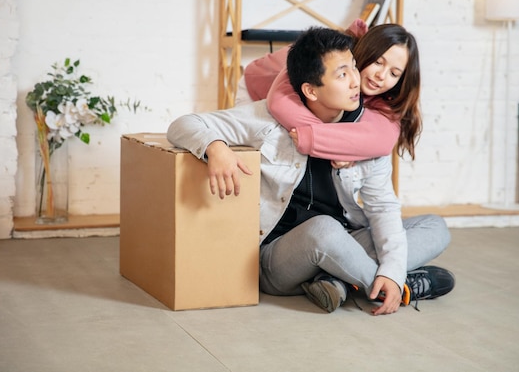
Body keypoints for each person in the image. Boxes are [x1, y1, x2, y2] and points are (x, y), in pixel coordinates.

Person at [167, 27, 453, 315]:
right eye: (343, 74)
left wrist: (391, 268)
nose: (357, 81)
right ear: (310, 89)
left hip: (343, 238)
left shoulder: (366, 134)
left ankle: (340, 280)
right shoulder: (268, 119)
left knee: (434, 227)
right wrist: (215, 147)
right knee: (323, 230)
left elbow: (383, 208)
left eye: (354, 67)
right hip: (278, 257)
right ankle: (397, 288)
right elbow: (182, 125)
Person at [238, 20, 421, 163]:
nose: (381, 75)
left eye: (394, 73)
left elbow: (382, 139)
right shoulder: (331, 52)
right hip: (257, 88)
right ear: (366, 50)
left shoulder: (381, 94)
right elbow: (280, 101)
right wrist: (333, 145)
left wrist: (342, 149)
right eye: (378, 62)